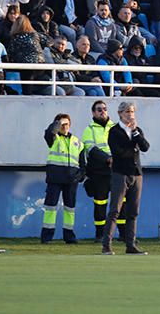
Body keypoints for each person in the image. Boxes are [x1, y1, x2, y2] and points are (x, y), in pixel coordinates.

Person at [102, 101, 150, 256]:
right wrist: (132, 146)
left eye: (132, 112)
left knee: (133, 211)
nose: (131, 115)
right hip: (120, 173)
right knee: (115, 210)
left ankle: (131, 244)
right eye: (128, 112)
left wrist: (135, 133)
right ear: (120, 113)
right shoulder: (114, 131)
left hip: (136, 173)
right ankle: (107, 245)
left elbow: (145, 147)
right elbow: (118, 153)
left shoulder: (137, 131)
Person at [40, 113, 82, 244]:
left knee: (70, 209)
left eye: (67, 124)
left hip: (71, 180)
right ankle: (47, 236)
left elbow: (82, 162)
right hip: (55, 179)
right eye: (63, 124)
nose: (65, 126)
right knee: (50, 208)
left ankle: (69, 236)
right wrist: (57, 123)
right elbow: (48, 133)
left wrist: (80, 176)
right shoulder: (54, 138)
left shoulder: (77, 141)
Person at [80, 100, 117, 242]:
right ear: (93, 112)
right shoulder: (89, 129)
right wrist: (108, 159)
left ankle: (125, 234)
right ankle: (100, 234)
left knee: (121, 203)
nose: (102, 111)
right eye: (99, 109)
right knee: (100, 204)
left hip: (116, 171)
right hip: (99, 172)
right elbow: (91, 149)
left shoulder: (115, 127)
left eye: (104, 109)